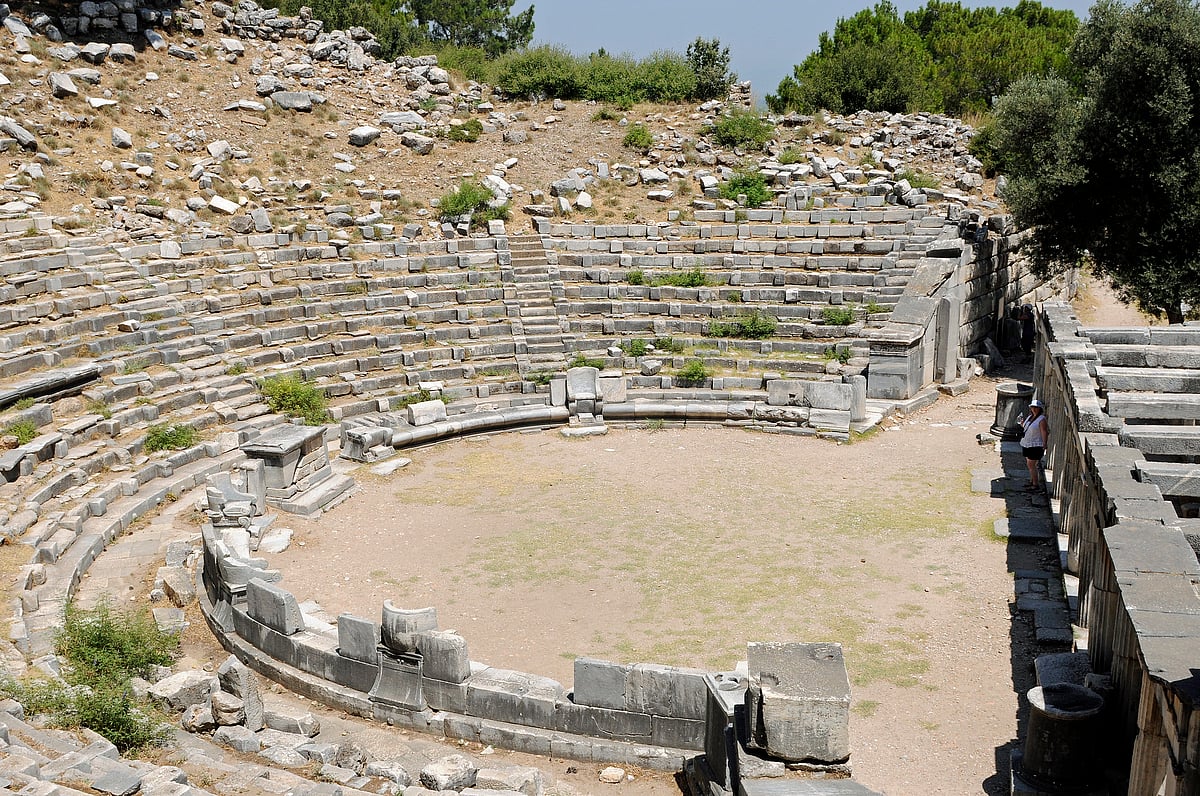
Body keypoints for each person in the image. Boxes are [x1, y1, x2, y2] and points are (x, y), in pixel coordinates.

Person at [1020, 399, 1049, 491]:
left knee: (1031, 465)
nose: (1034, 409)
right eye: (1033, 407)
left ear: (1040, 409)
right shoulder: (1029, 417)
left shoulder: (1041, 419)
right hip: (1027, 443)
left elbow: (1044, 432)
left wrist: (1044, 443)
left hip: (1036, 444)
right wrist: (1022, 424)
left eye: (1036, 407)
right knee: (1031, 464)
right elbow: (1026, 427)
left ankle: (1035, 484)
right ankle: (1032, 481)